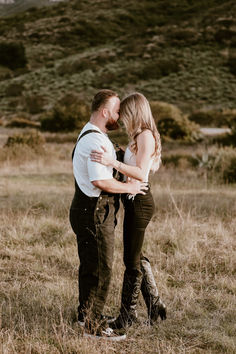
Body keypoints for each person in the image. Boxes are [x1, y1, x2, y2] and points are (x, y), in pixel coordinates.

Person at [69, 89, 147, 341]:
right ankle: (92, 327)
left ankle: (84, 315)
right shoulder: (95, 141)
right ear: (104, 112)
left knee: (90, 265)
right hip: (95, 211)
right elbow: (100, 180)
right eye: (115, 111)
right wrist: (130, 187)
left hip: (86, 208)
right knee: (102, 268)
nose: (118, 116)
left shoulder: (93, 133)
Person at [90, 92, 167, 330]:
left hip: (141, 202)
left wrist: (112, 162)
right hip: (132, 201)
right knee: (136, 254)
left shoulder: (146, 136)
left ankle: (127, 315)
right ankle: (155, 305)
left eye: (124, 113)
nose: (120, 117)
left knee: (130, 260)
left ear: (135, 111)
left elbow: (141, 173)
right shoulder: (138, 136)